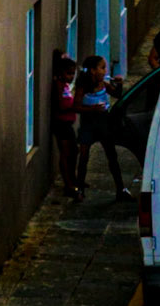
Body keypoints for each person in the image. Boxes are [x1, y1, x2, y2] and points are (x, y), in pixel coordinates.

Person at [74, 56, 130, 202]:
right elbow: (76, 106)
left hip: (104, 124)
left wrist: (119, 84)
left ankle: (120, 188)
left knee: (112, 156)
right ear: (93, 70)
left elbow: (117, 95)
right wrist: (92, 108)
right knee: (84, 157)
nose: (105, 71)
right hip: (88, 124)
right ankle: (79, 189)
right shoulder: (83, 86)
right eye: (102, 67)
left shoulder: (103, 84)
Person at [50, 54, 79, 198]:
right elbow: (61, 105)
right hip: (61, 124)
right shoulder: (59, 86)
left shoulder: (66, 86)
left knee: (74, 151)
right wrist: (76, 106)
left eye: (73, 73)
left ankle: (73, 179)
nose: (71, 76)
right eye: (69, 73)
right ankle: (68, 184)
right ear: (61, 73)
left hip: (68, 123)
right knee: (66, 154)